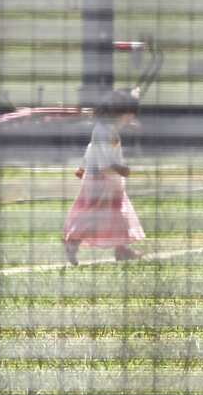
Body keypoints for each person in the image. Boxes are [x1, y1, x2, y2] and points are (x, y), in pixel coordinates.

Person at [62, 88, 146, 265]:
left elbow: (91, 149)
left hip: (110, 181)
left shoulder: (108, 129)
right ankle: (72, 241)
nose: (131, 118)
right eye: (129, 114)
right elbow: (103, 162)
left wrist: (82, 167)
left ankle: (122, 249)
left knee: (119, 214)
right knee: (94, 215)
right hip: (101, 181)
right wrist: (120, 169)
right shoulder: (104, 132)